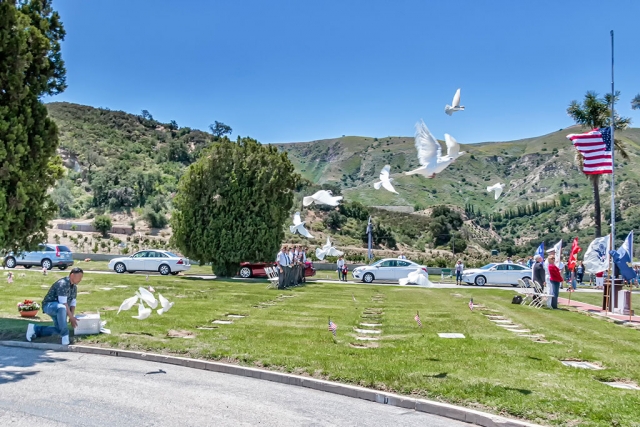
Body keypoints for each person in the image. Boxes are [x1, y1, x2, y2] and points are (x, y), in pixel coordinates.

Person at [26, 267, 84, 345]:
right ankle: (65, 335)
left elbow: (73, 302)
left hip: (60, 309)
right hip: (50, 306)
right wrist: (70, 317)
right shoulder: (63, 283)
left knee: (58, 330)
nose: (80, 279)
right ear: (72, 275)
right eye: (79, 277)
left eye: (81, 277)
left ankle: (35, 329)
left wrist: (72, 316)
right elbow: (63, 303)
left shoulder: (74, 287)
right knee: (61, 307)